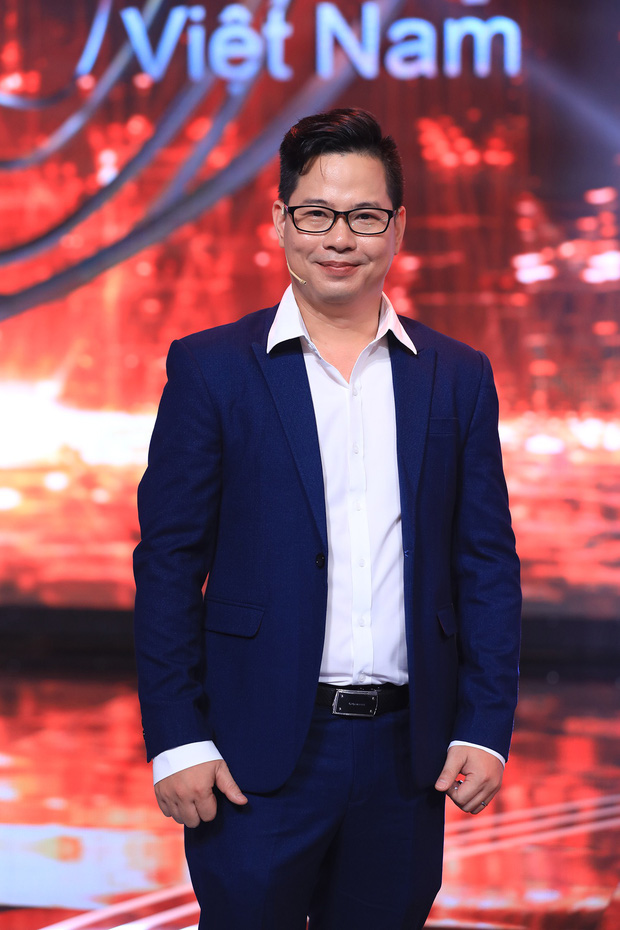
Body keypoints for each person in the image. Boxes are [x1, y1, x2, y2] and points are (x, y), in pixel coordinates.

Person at [133, 107, 521, 930]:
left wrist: (486, 728)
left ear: (397, 227)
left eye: (365, 216)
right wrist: (176, 739)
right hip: (253, 753)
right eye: (316, 214)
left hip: (407, 760)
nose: (340, 238)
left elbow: (486, 565)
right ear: (280, 221)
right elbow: (167, 565)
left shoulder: (457, 376)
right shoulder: (211, 369)